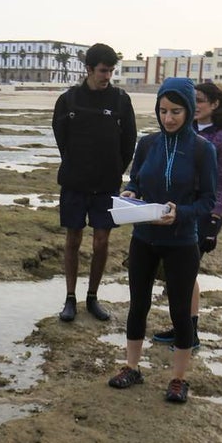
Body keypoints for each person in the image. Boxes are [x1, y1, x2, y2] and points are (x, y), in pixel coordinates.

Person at [108, 77, 216, 403]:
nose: (168, 118)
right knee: (137, 305)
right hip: (144, 237)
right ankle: (132, 367)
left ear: (189, 111)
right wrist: (130, 193)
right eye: (163, 111)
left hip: (182, 241)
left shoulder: (203, 150)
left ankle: (179, 378)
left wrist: (180, 213)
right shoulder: (147, 144)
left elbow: (207, 202)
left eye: (176, 112)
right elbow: (136, 181)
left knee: (180, 311)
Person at [152, 81, 222, 348]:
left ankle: (189, 333)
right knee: (176, 275)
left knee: (185, 275)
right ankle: (183, 327)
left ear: (215, 104)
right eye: (193, 100)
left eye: (201, 100)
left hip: (203, 213)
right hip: (178, 209)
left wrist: (215, 218)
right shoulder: (187, 128)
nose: (196, 105)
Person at [51, 43, 137, 322]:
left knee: (101, 242)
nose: (107, 76)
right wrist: (76, 163)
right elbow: (61, 138)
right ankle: (70, 298)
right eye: (103, 71)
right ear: (88, 69)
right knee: (73, 239)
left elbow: (129, 141)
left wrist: (115, 169)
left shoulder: (121, 100)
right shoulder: (68, 100)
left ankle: (92, 297)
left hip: (107, 184)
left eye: (111, 71)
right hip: (75, 183)